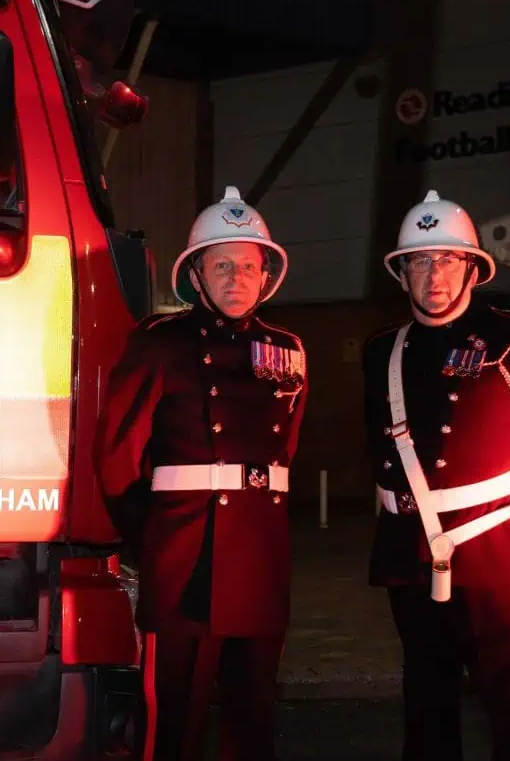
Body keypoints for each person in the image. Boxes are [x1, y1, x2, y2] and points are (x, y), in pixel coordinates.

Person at [362, 189, 510, 761]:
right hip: (411, 556)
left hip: (496, 554)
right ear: (402, 271)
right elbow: (379, 450)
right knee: (426, 709)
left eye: (446, 259)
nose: (432, 274)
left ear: (472, 268)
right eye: (419, 260)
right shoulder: (381, 349)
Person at [94, 185, 308, 761]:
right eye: (221, 265)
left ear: (266, 275)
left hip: (260, 557)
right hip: (185, 558)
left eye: (247, 265)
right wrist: (156, 540)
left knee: (253, 714)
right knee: (173, 719)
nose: (235, 278)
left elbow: (283, 453)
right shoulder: (159, 344)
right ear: (197, 275)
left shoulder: (288, 350)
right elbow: (117, 458)